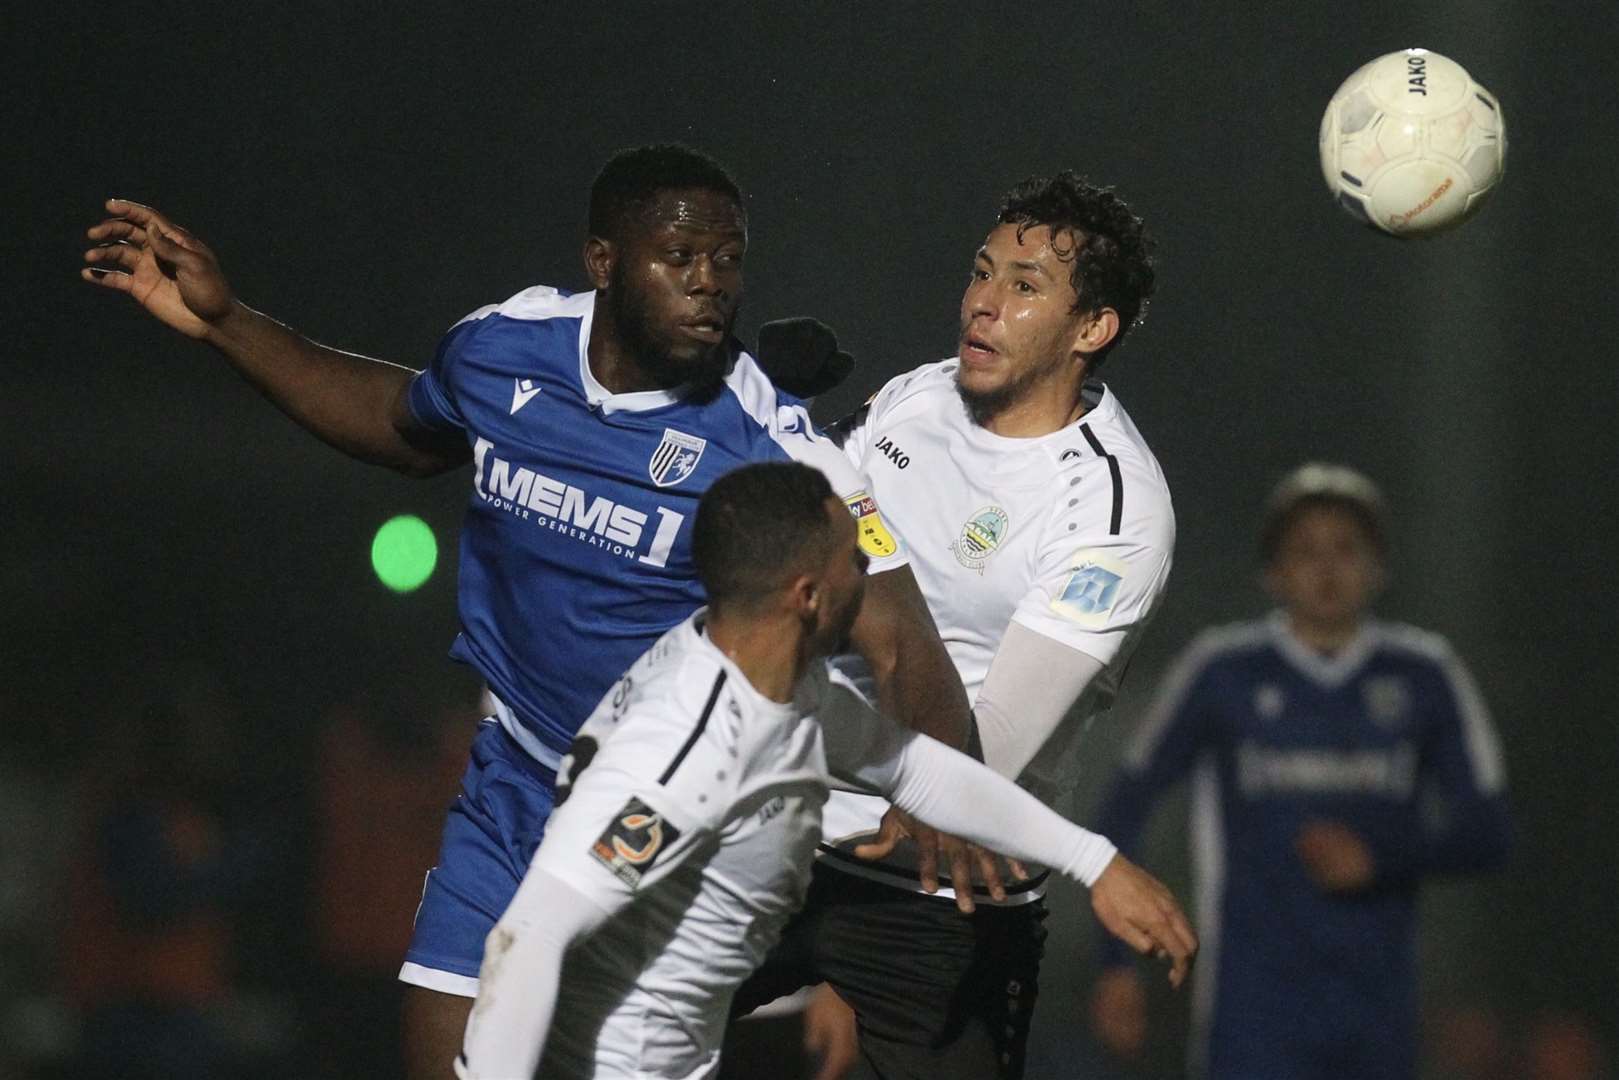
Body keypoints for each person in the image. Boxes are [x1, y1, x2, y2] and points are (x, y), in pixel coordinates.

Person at [80, 144, 979, 1080]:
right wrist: (226, 323)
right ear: (603, 263)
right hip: (513, 783)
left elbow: (902, 642)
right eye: (681, 259)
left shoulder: (776, 448)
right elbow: (400, 424)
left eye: (729, 260)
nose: (711, 285)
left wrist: (941, 806)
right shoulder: (505, 345)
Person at [455, 462, 1196, 1080]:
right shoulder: (685, 749)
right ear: (807, 594)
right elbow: (527, 939)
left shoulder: (778, 682)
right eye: (853, 558)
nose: (870, 572)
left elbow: (915, 770)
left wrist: (1093, 862)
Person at [729, 170, 1181, 1080]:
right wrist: (755, 405)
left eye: (1024, 288)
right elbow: (792, 547)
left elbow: (982, 758)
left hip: (941, 898)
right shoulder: (915, 398)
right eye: (982, 272)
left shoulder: (1114, 511)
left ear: (1092, 329)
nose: (982, 303)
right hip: (778, 831)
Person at [1088, 462, 1513, 1080]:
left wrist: (1380, 857)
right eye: (1305, 550)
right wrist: (1116, 963)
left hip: (1379, 1014)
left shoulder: (1425, 675)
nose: (1327, 568)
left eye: (1346, 548)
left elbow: (1489, 833)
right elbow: (1124, 805)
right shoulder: (1223, 670)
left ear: (1380, 567)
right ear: (1272, 572)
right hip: (1251, 1012)